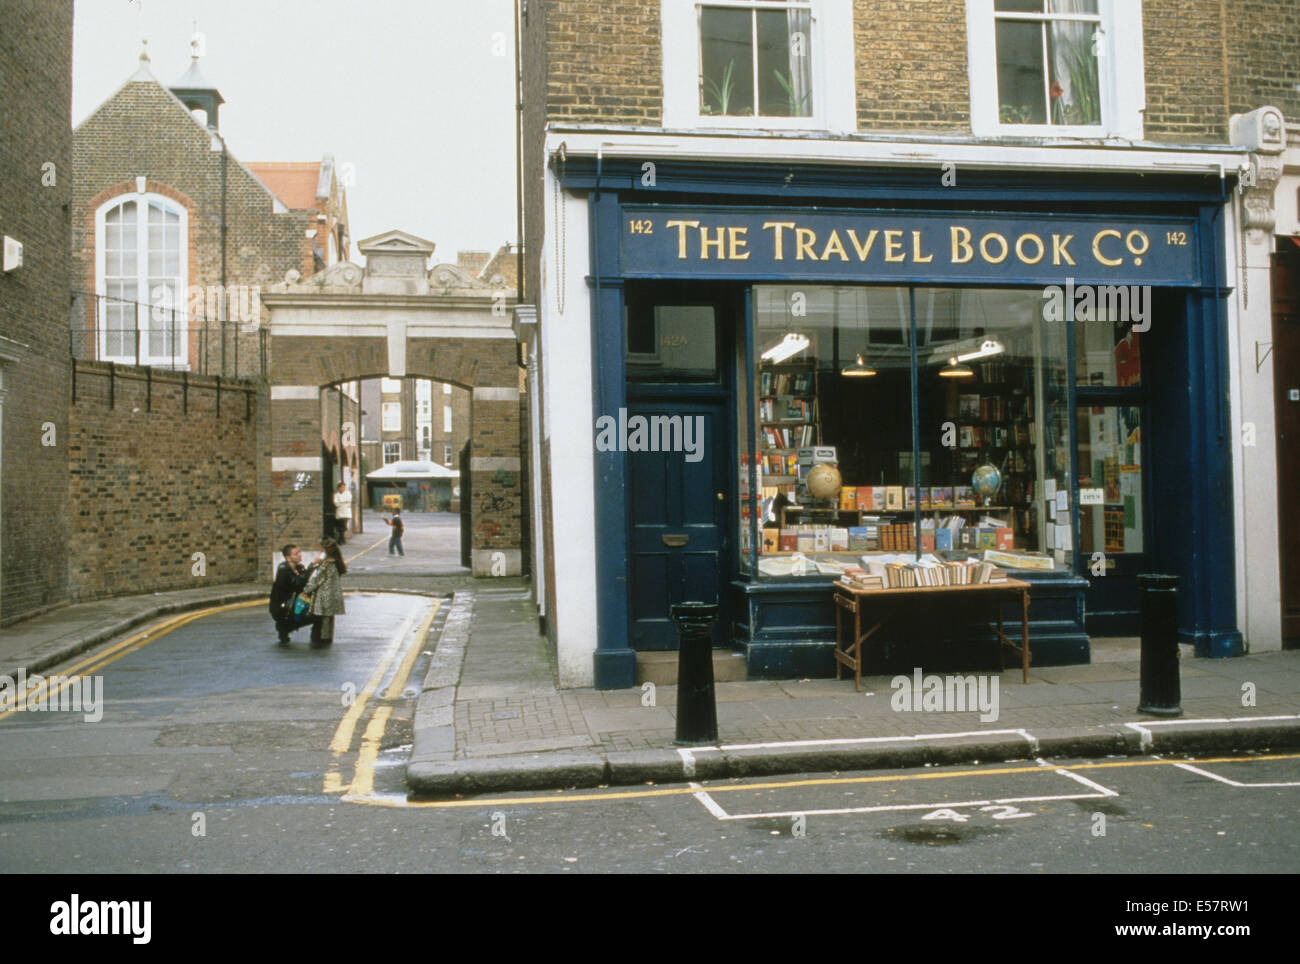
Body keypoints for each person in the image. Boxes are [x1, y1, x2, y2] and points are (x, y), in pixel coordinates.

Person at [303, 537, 347, 646]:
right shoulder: (337, 562)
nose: (320, 552)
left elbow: (317, 579)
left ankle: (320, 640)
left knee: (320, 620)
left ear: (326, 551)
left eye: (322, 550)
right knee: (328, 619)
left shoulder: (326, 564)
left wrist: (306, 590)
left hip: (324, 596)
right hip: (332, 595)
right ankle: (327, 639)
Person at [269, 543, 311, 645]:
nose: (300, 555)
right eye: (296, 554)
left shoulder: (299, 568)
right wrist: (310, 569)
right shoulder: (283, 569)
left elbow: (303, 586)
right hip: (283, 609)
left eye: (299, 552)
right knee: (316, 615)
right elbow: (298, 583)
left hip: (293, 606)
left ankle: (288, 626)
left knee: (316, 610)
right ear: (288, 558)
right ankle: (286, 626)